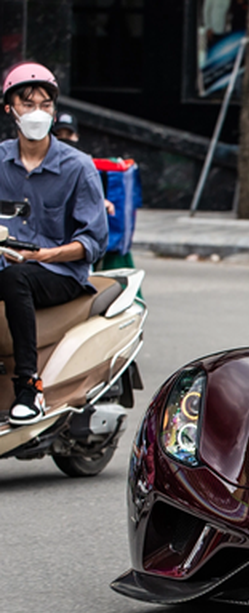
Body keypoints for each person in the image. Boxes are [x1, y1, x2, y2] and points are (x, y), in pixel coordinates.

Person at [0, 63, 108, 424]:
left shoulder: (78, 167)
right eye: (27, 103)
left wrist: (49, 254)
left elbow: (93, 239)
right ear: (9, 109)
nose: (36, 112)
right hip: (6, 265)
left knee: (18, 279)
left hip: (59, 272)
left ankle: (29, 389)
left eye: (45, 104)